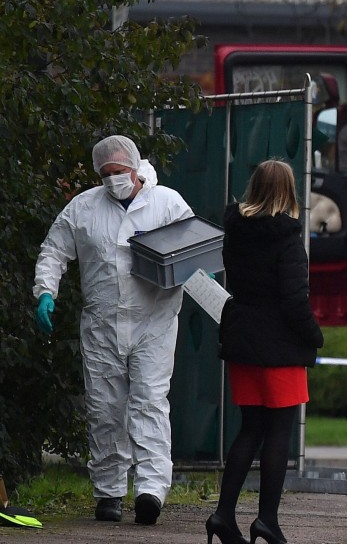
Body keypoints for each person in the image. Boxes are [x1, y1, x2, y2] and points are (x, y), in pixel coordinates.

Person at [33, 135, 193, 525]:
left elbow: (194, 250)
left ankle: (151, 490)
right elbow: (54, 249)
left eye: (118, 172)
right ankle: (108, 491)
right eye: (105, 174)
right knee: (105, 408)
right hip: (102, 325)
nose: (112, 180)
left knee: (150, 402)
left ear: (135, 169)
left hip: (153, 321)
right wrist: (45, 291)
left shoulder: (167, 204)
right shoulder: (83, 208)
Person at [206, 160, 324, 544]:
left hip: (242, 339)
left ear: (254, 187)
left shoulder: (235, 233)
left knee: (250, 429)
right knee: (279, 434)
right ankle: (267, 521)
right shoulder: (287, 239)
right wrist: (315, 337)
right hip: (280, 347)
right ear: (288, 192)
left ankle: (223, 516)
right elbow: (294, 302)